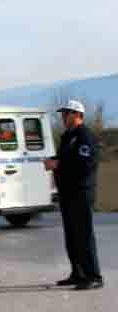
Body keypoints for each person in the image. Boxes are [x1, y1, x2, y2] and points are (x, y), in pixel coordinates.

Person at [44, 100, 103, 290]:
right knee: (71, 235)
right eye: (63, 113)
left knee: (84, 235)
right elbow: (67, 158)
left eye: (67, 113)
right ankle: (78, 273)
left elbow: (85, 164)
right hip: (67, 192)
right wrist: (54, 161)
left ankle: (93, 276)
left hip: (81, 192)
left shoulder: (84, 136)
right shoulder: (68, 136)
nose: (63, 117)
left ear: (78, 115)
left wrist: (59, 165)